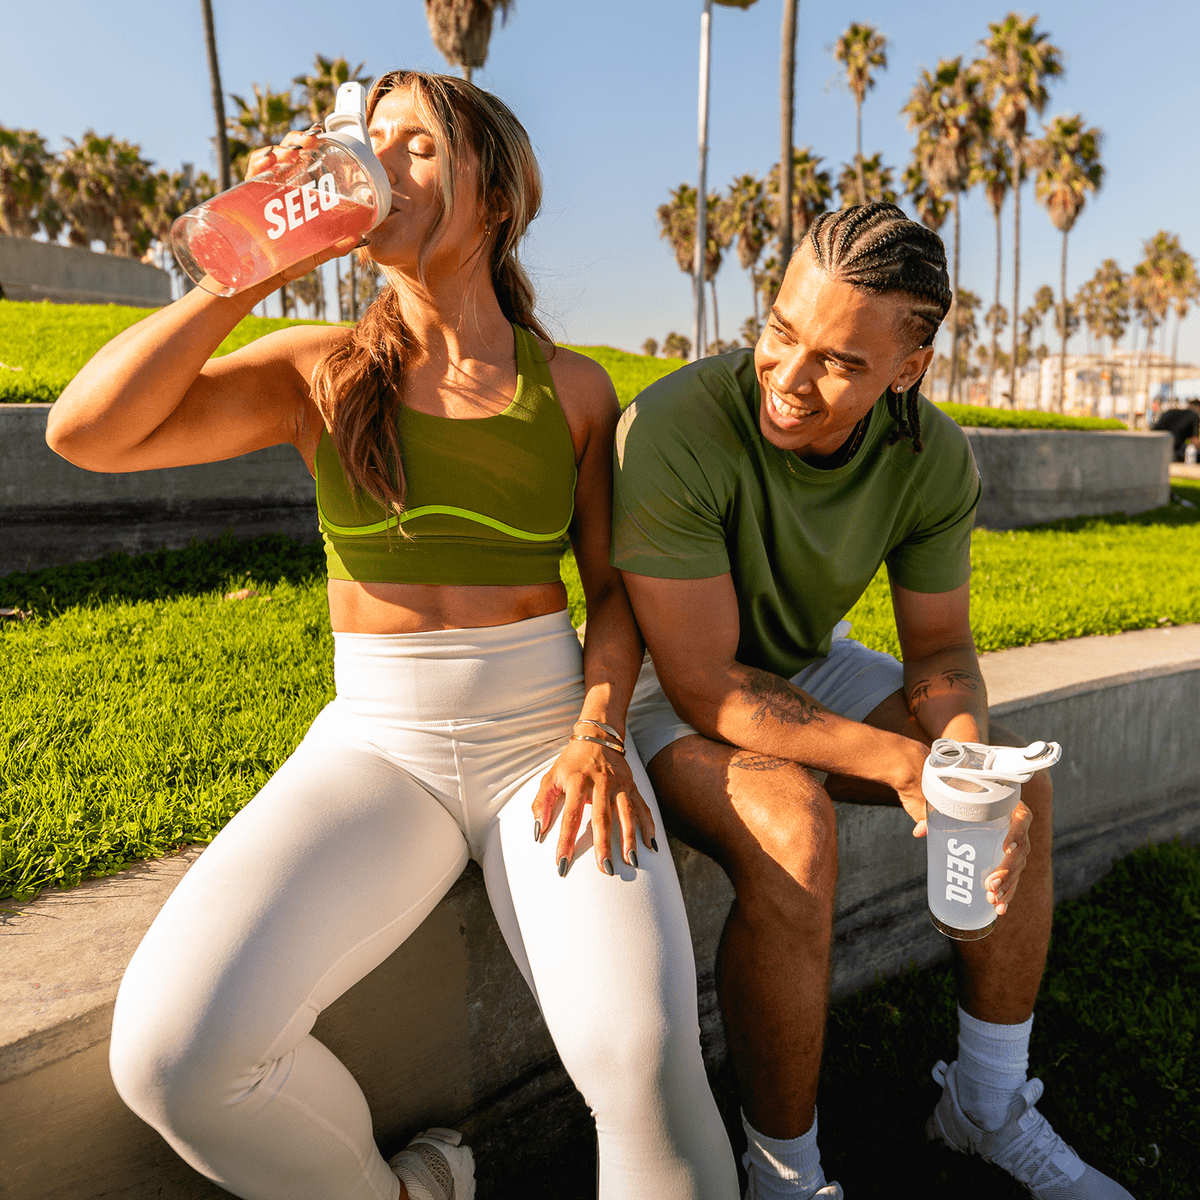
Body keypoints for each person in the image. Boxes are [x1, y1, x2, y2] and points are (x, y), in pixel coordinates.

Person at [46, 71, 738, 1200]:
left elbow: (613, 597)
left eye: (415, 146)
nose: (378, 164)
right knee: (174, 1059)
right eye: (366, 144)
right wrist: (251, 265)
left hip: (544, 747)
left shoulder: (572, 391)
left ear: (497, 193)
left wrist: (599, 733)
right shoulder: (319, 371)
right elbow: (88, 433)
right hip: (377, 748)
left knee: (646, 1065)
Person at [611, 203, 1136, 1200]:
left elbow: (939, 650)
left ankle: (984, 1107)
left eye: (841, 362)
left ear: (909, 368)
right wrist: (907, 766)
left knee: (1010, 790)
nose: (790, 378)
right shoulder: (674, 427)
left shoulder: (931, 456)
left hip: (805, 663)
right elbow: (704, 682)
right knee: (793, 827)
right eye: (780, 331)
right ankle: (784, 1173)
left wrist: (964, 760)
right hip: (663, 687)